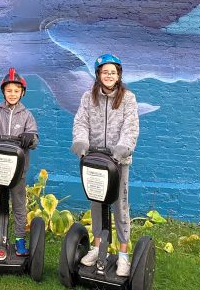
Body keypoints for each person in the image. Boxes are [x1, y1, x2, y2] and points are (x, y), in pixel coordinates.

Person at [71, 53, 139, 277]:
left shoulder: (128, 98)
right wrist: (81, 144)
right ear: (98, 74)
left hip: (118, 162)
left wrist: (121, 150)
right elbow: (81, 121)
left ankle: (123, 254)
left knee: (120, 206)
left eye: (113, 72)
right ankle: (97, 246)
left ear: (118, 75)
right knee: (97, 203)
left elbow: (131, 127)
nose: (109, 75)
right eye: (104, 71)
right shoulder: (87, 97)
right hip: (94, 160)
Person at [0, 68, 39, 256]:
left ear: (22, 93)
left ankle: (20, 239)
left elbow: (34, 138)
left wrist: (30, 137)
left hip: (18, 171)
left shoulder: (27, 115)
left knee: (19, 204)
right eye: (9, 90)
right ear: (4, 91)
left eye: (16, 91)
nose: (12, 94)